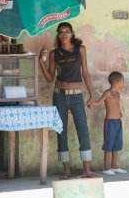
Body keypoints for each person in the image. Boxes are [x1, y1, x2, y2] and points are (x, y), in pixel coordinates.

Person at [39, 22, 97, 179]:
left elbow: (85, 72)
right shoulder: (54, 54)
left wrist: (92, 93)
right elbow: (50, 78)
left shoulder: (80, 50)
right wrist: (41, 63)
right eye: (61, 32)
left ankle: (86, 170)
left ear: (72, 33)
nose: (64, 34)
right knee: (61, 132)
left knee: (83, 130)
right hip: (59, 96)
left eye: (67, 32)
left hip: (77, 95)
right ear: (58, 34)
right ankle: (66, 170)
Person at [89, 71, 128, 176]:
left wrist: (119, 112)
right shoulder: (108, 93)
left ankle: (114, 166)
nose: (123, 83)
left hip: (118, 122)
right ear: (116, 82)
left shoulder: (118, 94)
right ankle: (106, 168)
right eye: (122, 81)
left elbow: (116, 106)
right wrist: (93, 104)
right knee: (108, 145)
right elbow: (99, 102)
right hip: (110, 123)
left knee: (116, 145)